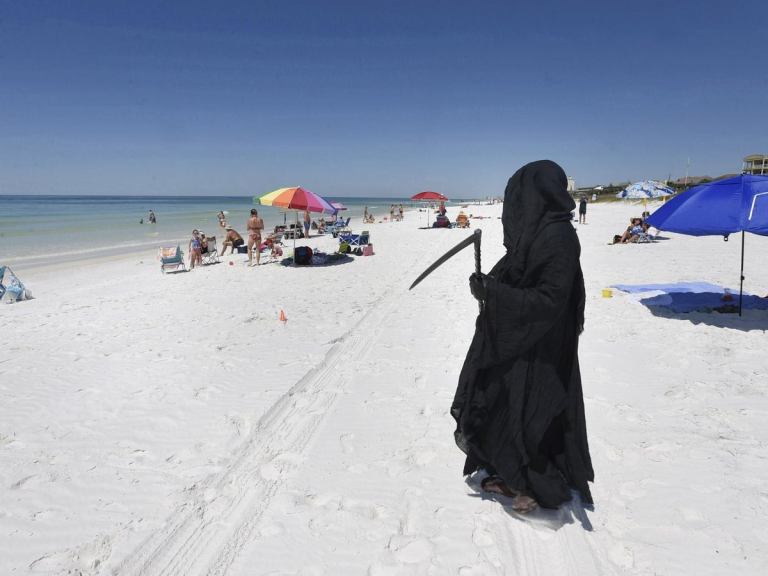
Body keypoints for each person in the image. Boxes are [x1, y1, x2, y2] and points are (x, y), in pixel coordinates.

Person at [452, 160, 593, 514]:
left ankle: (533, 486)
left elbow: (550, 300)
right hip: (526, 338)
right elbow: (518, 271)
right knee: (503, 401)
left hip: (543, 345)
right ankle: (511, 473)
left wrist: (495, 295)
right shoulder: (540, 230)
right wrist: (490, 285)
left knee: (531, 416)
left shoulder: (559, 237)